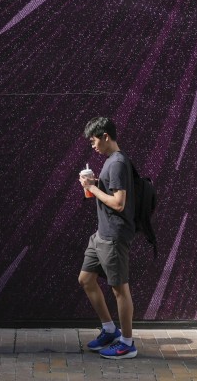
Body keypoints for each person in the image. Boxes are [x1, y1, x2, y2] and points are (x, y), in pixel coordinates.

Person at [78, 117, 138, 360]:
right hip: (101, 234)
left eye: (94, 141)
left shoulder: (118, 164)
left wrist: (92, 188)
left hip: (113, 235)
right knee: (86, 279)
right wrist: (92, 185)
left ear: (105, 136)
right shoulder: (111, 162)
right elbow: (108, 197)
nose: (93, 146)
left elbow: (119, 203)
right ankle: (110, 330)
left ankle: (127, 343)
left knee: (119, 289)